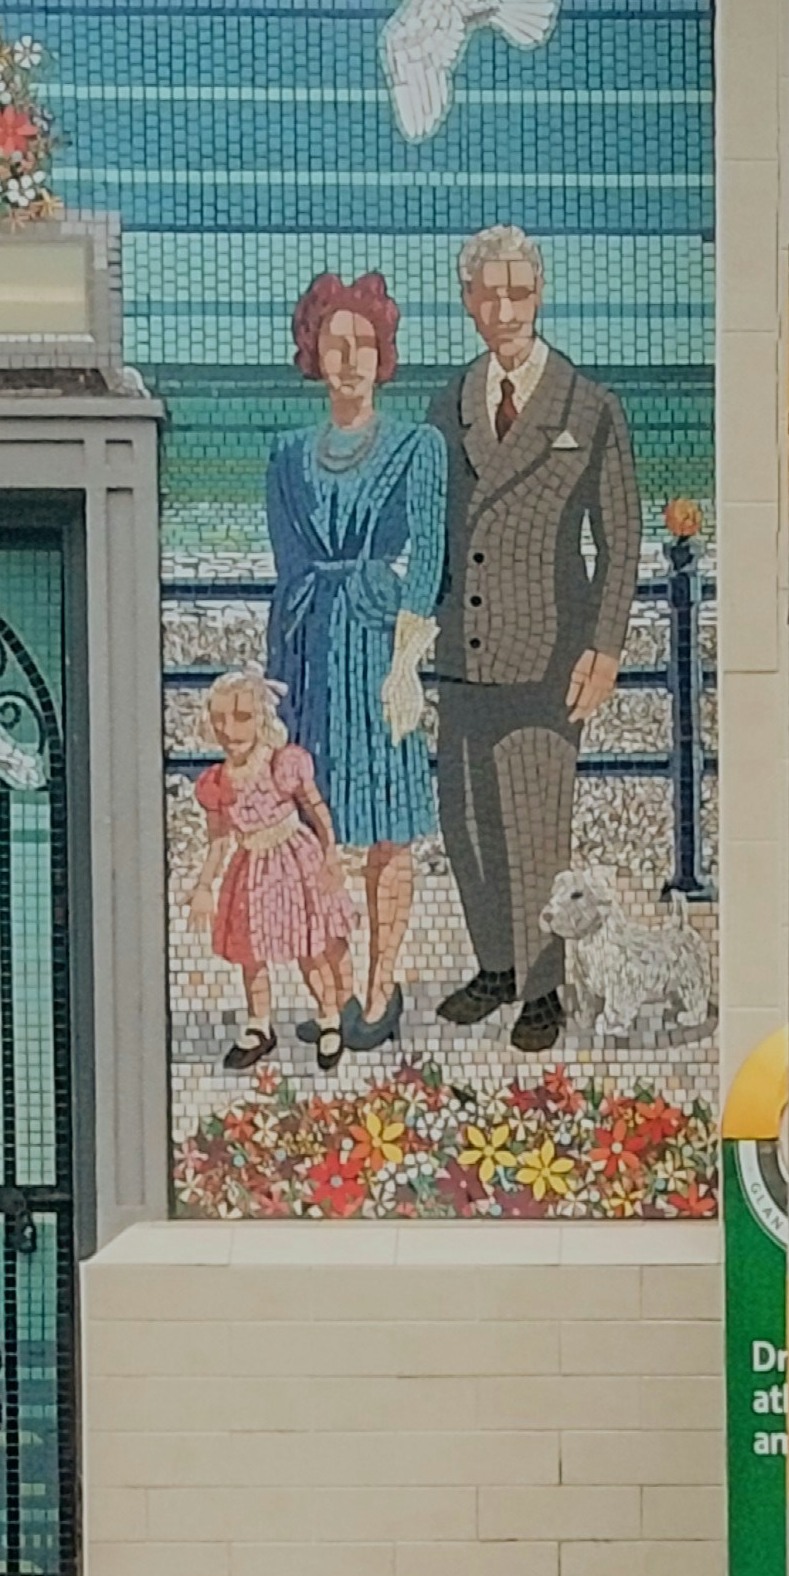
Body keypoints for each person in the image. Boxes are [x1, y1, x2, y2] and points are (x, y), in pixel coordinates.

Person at [423, 226, 644, 1055]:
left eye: (519, 291)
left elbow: (621, 538)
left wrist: (606, 647)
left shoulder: (588, 405)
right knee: (469, 822)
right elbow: (430, 527)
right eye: (490, 293)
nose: (506, 308)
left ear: (539, 294)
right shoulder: (448, 403)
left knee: (537, 827)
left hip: (549, 652)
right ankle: (496, 965)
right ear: (469, 302)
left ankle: (543, 987)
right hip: (463, 648)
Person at [264, 269, 450, 1049]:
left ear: (383, 355)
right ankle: (334, 986)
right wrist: (276, 688)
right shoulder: (286, 456)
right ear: (314, 353)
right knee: (312, 828)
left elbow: (430, 556)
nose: (350, 359)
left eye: (364, 344)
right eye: (335, 343)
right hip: (311, 646)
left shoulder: (418, 447)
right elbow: (287, 572)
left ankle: (381, 986)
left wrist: (406, 664)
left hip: (378, 643)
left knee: (388, 828)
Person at [190, 668, 357, 1073]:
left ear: (262, 718)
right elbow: (219, 840)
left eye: (242, 717)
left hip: (294, 862)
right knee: (250, 954)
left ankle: (329, 1018)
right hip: (249, 870)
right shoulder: (216, 782)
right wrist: (204, 885)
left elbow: (315, 809)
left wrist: (330, 854)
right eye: (220, 719)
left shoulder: (283, 763)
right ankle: (259, 1025)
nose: (230, 730)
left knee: (309, 947)